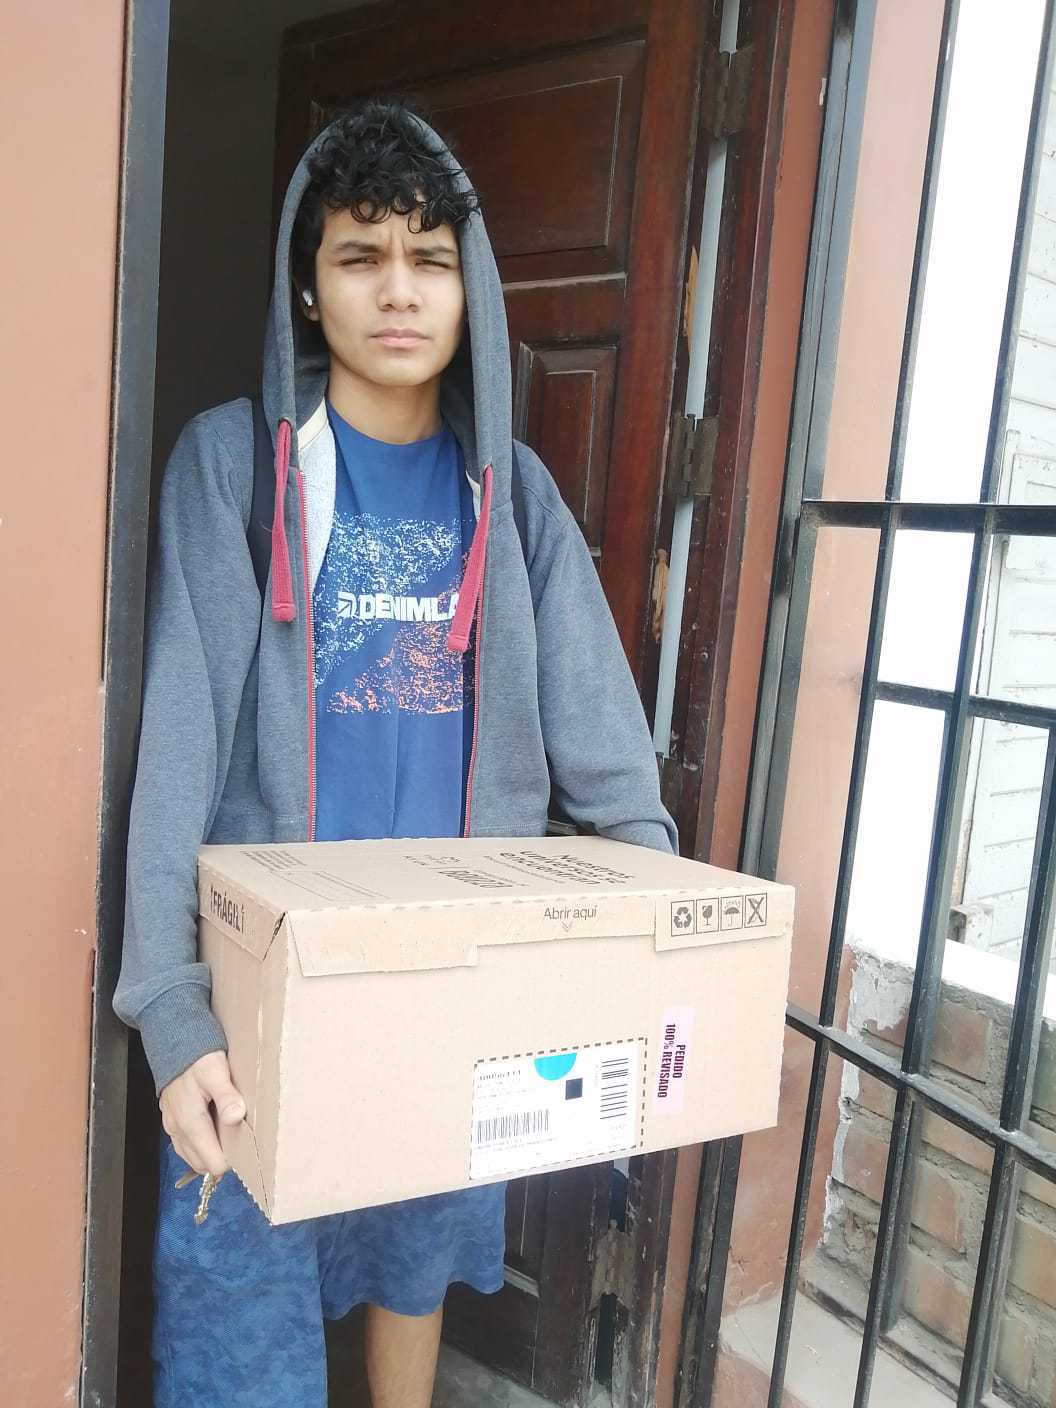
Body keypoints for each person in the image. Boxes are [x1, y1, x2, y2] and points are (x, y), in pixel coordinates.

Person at [114, 96, 678, 1408]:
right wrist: (171, 1009)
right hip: (265, 991)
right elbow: (177, 745)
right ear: (309, 292)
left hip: (444, 978)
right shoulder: (234, 470)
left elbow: (608, 753)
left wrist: (639, 932)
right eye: (360, 256)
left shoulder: (512, 497)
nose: (400, 290)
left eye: (431, 258)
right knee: (240, 1303)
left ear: (471, 290)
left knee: (413, 1255)